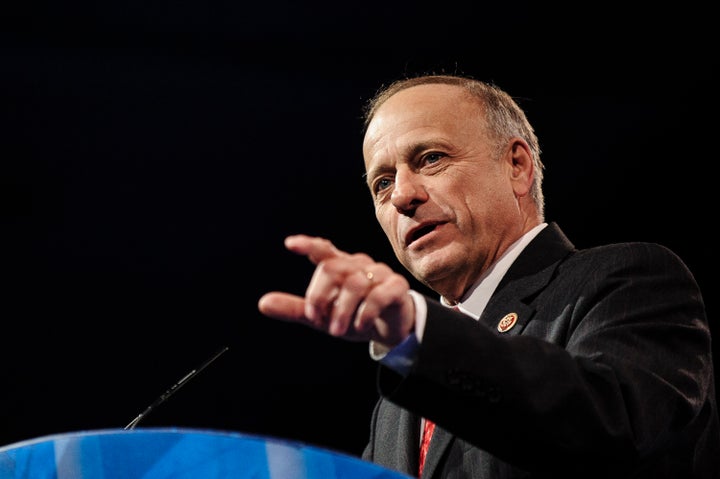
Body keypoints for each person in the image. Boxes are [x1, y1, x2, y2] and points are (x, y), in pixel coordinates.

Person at [257, 74, 720, 478]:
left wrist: (418, 331)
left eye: (430, 158)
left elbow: (611, 429)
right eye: (382, 183)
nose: (402, 196)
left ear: (517, 166)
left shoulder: (627, 281)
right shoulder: (398, 398)